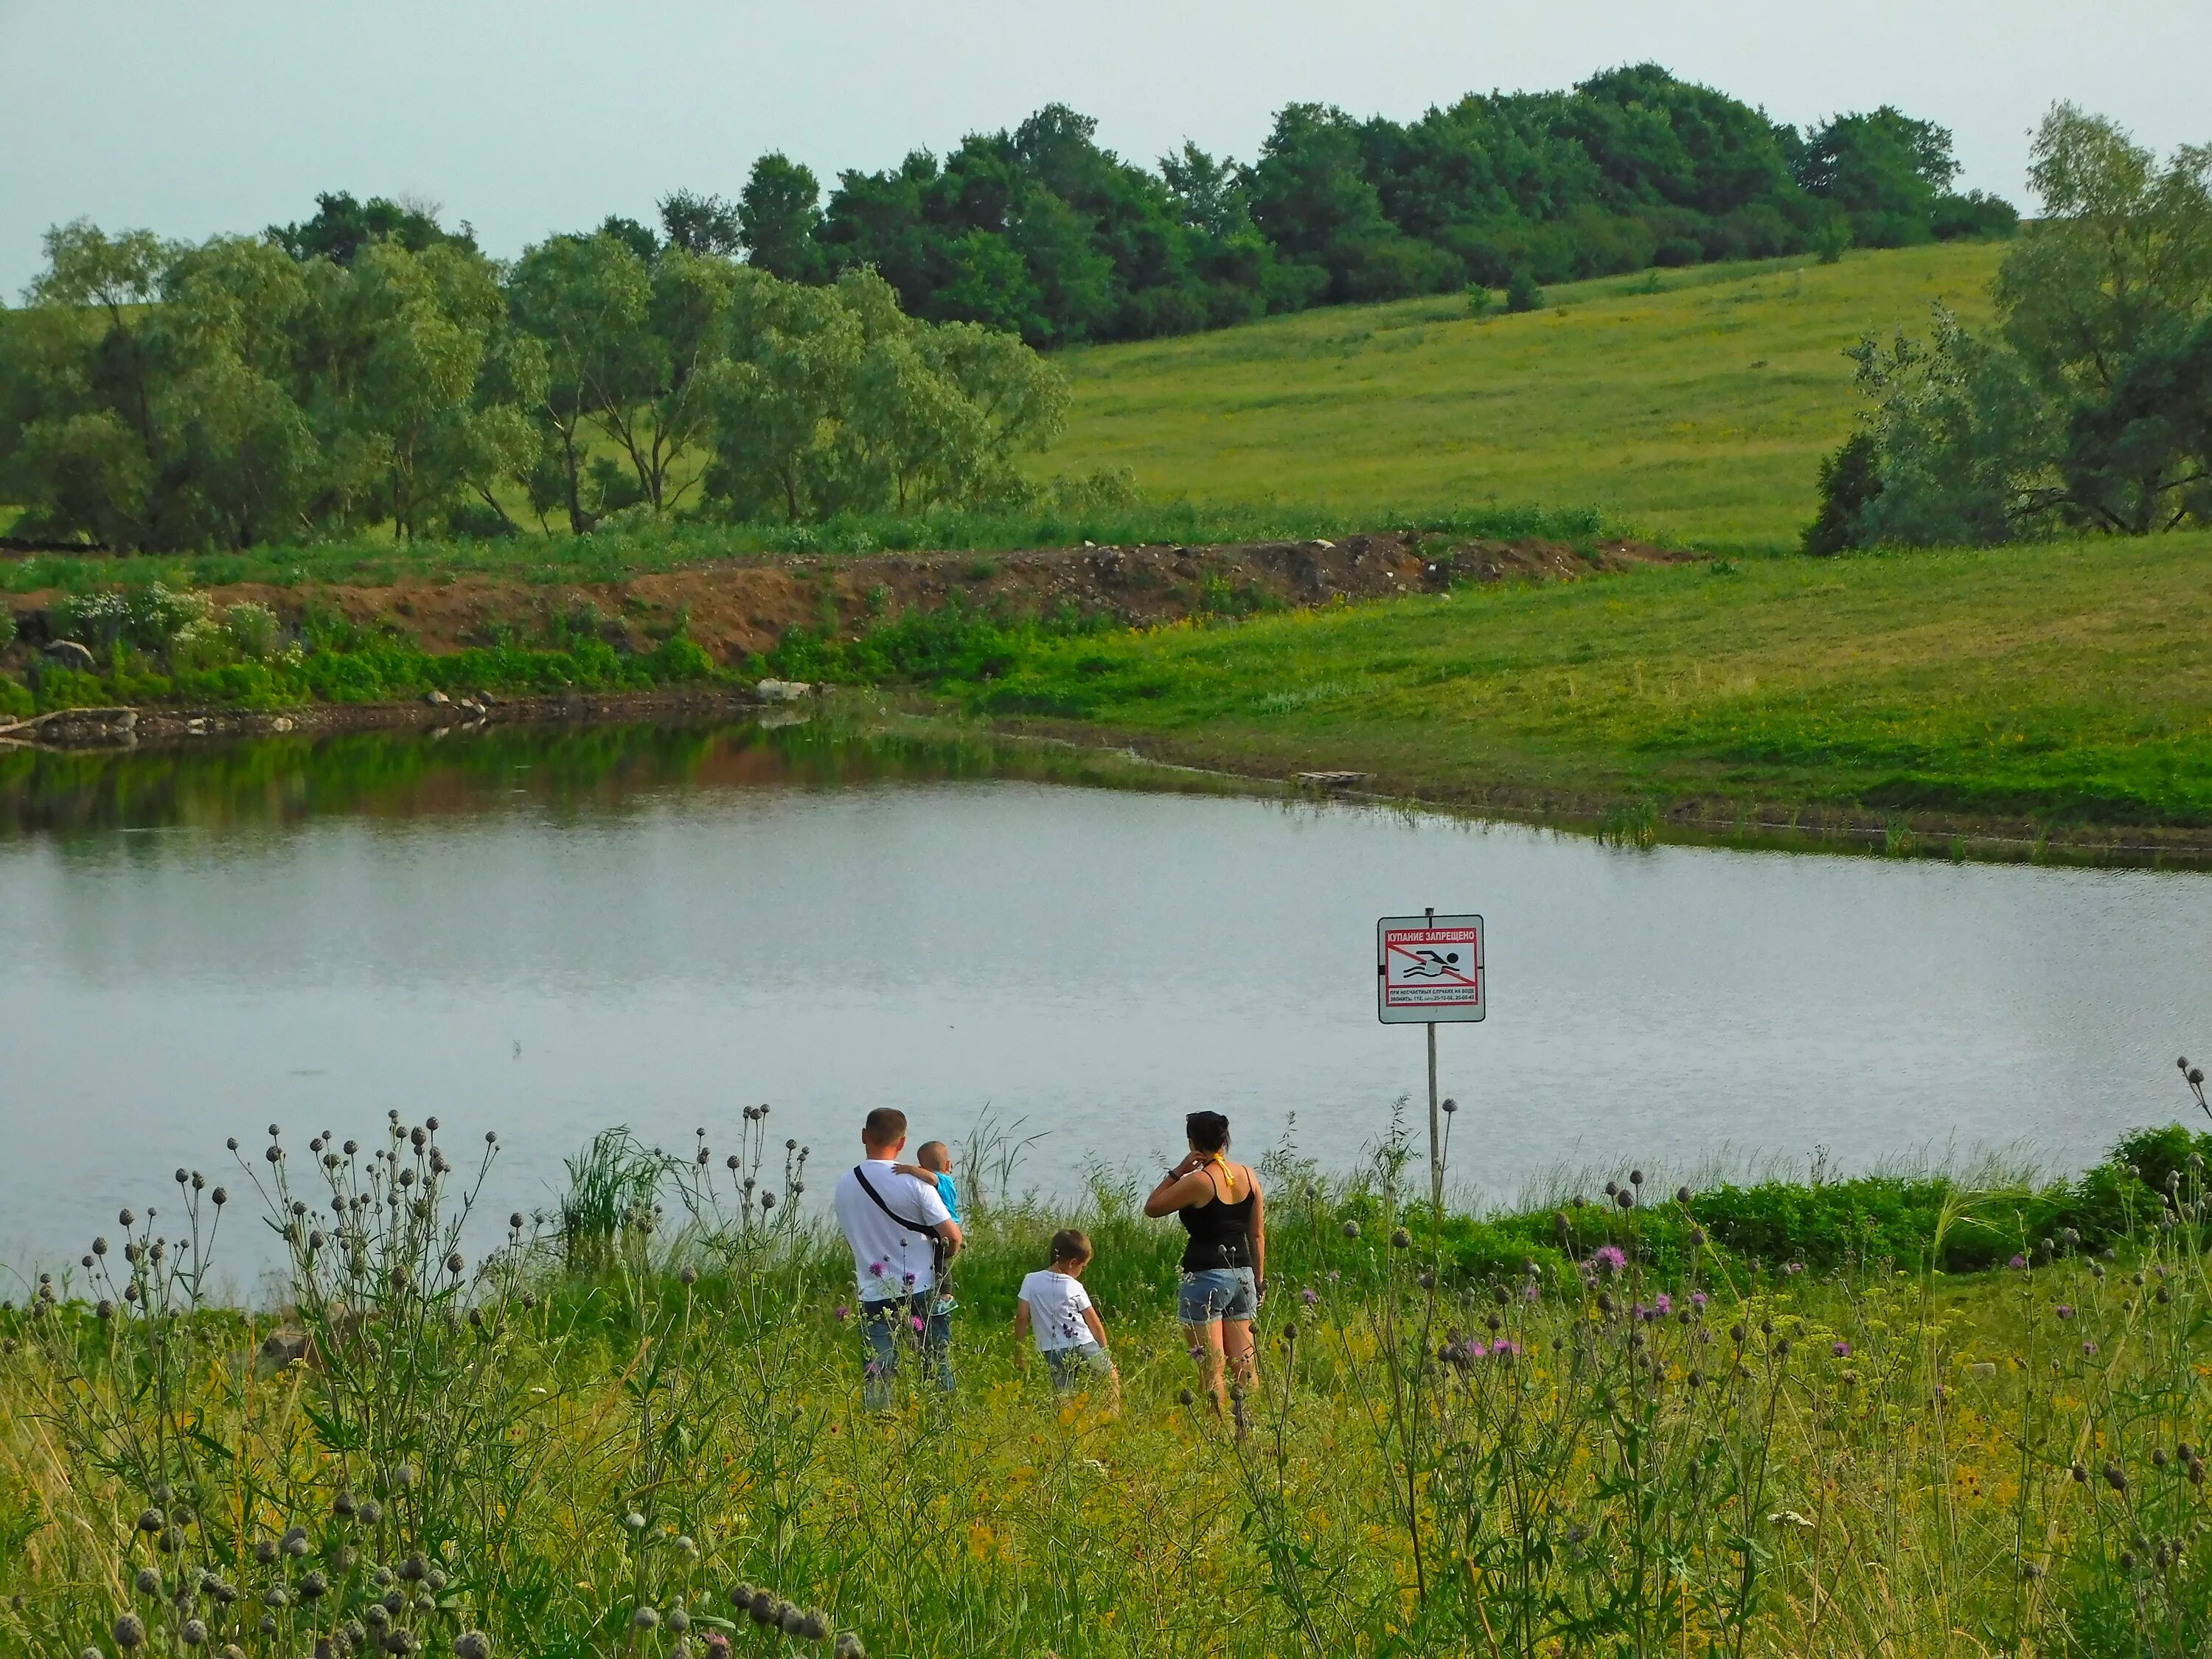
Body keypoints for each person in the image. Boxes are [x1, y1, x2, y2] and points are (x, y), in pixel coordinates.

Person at [832, 1107, 964, 1408]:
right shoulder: (915, 1183)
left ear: (864, 1136)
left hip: (872, 1291)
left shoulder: (845, 1185)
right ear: (902, 1143)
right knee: (935, 1361)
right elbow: (953, 1237)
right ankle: (943, 1423)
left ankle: (880, 1429)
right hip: (920, 1289)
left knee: (878, 1372)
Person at [1144, 1110, 1265, 1420]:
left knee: (1212, 1367)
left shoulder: (1199, 1181)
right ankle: (1247, 1429)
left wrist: (1178, 1171)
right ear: (1226, 1140)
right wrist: (1259, 1279)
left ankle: (1217, 1429)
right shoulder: (1250, 1177)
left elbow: (1153, 1208)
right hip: (1243, 1275)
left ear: (1192, 1142)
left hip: (1205, 1276)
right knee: (1244, 1364)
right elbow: (1257, 1234)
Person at [1015, 1228, 1118, 1405]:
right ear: (1073, 1263)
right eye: (1082, 1267)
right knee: (1110, 1378)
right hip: (1082, 1343)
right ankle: (1112, 1418)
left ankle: (1064, 1425)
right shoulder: (1074, 1286)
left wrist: (1019, 1351)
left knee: (1062, 1395)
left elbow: (1022, 1317)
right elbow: (1093, 1322)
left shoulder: (1030, 1280)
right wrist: (1104, 1350)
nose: (1082, 1271)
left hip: (1051, 1349)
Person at [891, 1139, 962, 1317]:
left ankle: (946, 1296)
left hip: (944, 1227)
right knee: (937, 1261)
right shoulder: (949, 1179)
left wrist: (908, 1170)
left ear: (922, 1166)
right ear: (948, 1164)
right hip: (945, 1225)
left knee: (940, 1262)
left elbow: (931, 1178)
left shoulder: (941, 1180)